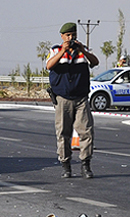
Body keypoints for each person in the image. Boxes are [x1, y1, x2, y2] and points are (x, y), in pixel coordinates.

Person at [46, 22, 100, 178]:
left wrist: (82, 49)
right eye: (68, 35)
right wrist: (63, 51)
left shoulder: (82, 51)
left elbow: (95, 62)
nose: (71, 38)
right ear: (62, 36)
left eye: (73, 35)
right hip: (63, 98)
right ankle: (66, 165)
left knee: (86, 131)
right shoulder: (55, 50)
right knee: (63, 133)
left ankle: (85, 165)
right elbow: (49, 65)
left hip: (81, 97)